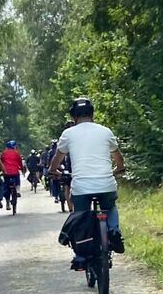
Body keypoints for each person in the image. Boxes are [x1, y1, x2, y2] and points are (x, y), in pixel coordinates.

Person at [49, 97, 125, 270]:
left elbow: (56, 159)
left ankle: (81, 254)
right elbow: (118, 157)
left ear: (74, 116)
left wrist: (54, 171)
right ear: (92, 114)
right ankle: (113, 231)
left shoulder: (68, 134)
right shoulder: (105, 131)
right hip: (106, 184)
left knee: (81, 213)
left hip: (81, 187)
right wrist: (119, 168)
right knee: (110, 206)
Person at [0, 139, 25, 210]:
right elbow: (20, 162)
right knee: (17, 179)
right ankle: (17, 189)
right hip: (15, 172)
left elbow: (1, 162)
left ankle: (7, 203)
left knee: (6, 186)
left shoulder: (4, 153)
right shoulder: (16, 153)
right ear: (14, 146)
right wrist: (22, 169)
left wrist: (1, 169)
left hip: (6, 172)